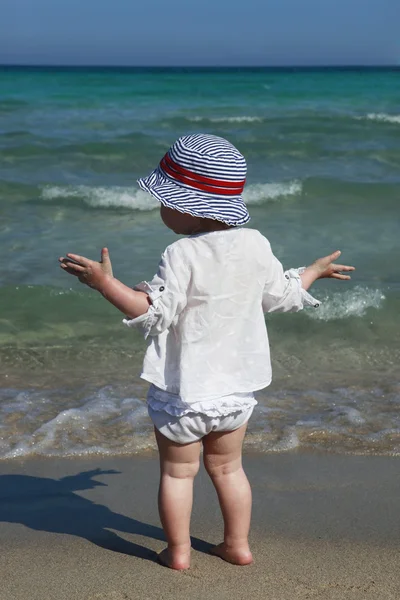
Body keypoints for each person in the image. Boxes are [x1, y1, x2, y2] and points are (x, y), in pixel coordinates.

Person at [59, 133, 354, 570]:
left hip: (186, 393)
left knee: (179, 473)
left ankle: (178, 552)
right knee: (229, 469)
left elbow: (153, 313)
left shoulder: (181, 253)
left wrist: (107, 285)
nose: (160, 208)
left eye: (163, 199)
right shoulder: (256, 244)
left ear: (187, 205)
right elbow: (281, 295)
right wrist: (310, 272)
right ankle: (238, 545)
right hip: (237, 394)